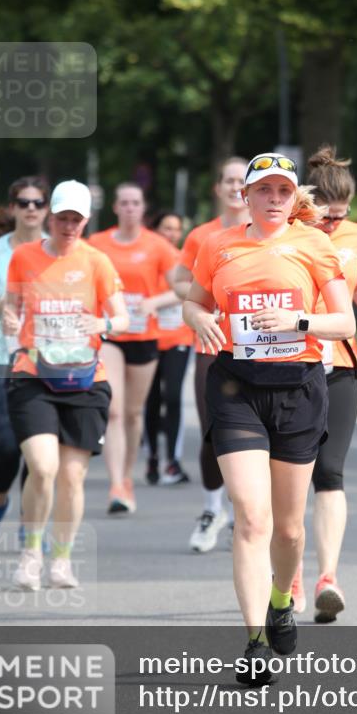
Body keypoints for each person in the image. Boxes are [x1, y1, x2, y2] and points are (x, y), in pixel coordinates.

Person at [183, 153, 355, 683]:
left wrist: (297, 319)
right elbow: (192, 302)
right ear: (247, 197)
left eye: (284, 190)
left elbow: (344, 319)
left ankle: (283, 599)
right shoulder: (217, 244)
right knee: (251, 517)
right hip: (236, 387)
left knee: (288, 528)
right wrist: (201, 320)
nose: (275, 198)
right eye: (265, 190)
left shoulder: (314, 244)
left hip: (299, 389)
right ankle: (255, 640)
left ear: (291, 196)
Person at [3, 181, 128, 590]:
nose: (69, 226)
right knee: (42, 467)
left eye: (77, 219)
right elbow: (12, 303)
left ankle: (61, 559)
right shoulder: (24, 257)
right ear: (50, 217)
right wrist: (8, 321)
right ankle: (30, 554)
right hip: (33, 375)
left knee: (72, 478)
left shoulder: (97, 262)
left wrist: (101, 323)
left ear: (86, 221)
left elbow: (122, 318)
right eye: (62, 218)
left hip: (85, 379)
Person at [291, 147, 357, 623]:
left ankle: (327, 577)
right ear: (308, 206)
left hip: (342, 365)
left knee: (330, 471)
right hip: (290, 367)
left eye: (341, 218)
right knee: (292, 478)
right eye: (327, 217)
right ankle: (288, 576)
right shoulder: (286, 235)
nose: (333, 225)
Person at [172, 157, 249, 552]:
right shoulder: (203, 235)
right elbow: (179, 280)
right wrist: (203, 303)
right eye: (230, 180)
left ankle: (243, 512)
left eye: (242, 180)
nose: (237, 187)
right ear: (218, 188)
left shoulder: (266, 232)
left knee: (255, 435)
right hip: (211, 344)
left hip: (257, 349)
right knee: (212, 430)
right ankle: (212, 508)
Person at [89, 183, 180, 514]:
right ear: (115, 207)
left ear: (143, 209)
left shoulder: (158, 246)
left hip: (144, 337)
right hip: (110, 335)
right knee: (113, 409)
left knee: (132, 413)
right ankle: (116, 485)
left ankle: (127, 476)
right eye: (124, 202)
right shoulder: (97, 244)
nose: (129, 208)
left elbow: (184, 289)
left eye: (135, 203)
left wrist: (154, 301)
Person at [0, 177, 50, 546]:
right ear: (13, 208)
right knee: (6, 444)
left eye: (38, 202)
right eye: (24, 202)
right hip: (1, 357)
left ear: (46, 208)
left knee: (35, 447)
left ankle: (28, 520)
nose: (31, 208)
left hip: (47, 359)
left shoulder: (60, 250)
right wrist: (4, 304)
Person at [143, 212, 193, 485]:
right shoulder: (147, 259)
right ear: (156, 229)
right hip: (149, 337)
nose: (172, 233)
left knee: (173, 396)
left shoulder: (186, 260)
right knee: (151, 401)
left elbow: (188, 290)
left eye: (176, 229)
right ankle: (152, 456)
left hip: (179, 338)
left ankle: (172, 460)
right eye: (166, 228)